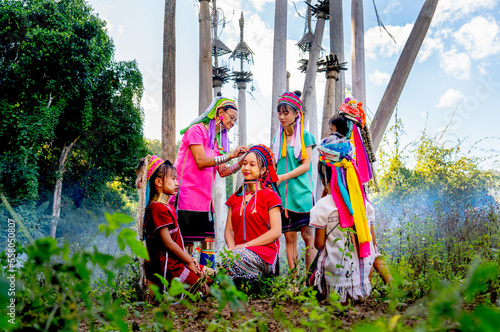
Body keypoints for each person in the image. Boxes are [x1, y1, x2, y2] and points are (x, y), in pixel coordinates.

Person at [174, 97, 248, 268]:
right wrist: (230, 156)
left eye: (235, 120)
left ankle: (206, 283)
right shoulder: (196, 130)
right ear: (220, 113)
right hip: (188, 198)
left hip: (206, 201)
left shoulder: (215, 140)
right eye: (231, 117)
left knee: (208, 243)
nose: (233, 122)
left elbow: (222, 171)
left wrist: (240, 162)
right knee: (188, 244)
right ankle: (187, 285)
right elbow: (201, 161)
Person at [328, 99, 392, 285]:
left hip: (353, 205)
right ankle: (391, 285)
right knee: (371, 247)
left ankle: (366, 287)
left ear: (342, 130)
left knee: (365, 248)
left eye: (332, 130)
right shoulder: (355, 151)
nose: (330, 134)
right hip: (363, 204)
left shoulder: (343, 152)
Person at [309, 136, 376, 304]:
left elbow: (318, 244)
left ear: (324, 176)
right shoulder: (364, 205)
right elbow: (372, 242)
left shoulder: (323, 206)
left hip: (335, 285)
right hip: (363, 283)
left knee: (310, 280)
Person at [135, 155, 213, 300]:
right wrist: (189, 261)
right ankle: (165, 291)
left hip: (179, 262)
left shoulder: (166, 207)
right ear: (158, 182)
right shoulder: (156, 209)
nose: (177, 183)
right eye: (172, 179)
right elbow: (168, 243)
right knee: (204, 289)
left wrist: (189, 258)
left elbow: (176, 241)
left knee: (212, 275)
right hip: (170, 268)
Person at [272, 91, 317, 272]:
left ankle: (310, 281)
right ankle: (293, 283)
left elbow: (306, 166)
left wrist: (283, 177)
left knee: (308, 237)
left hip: (303, 194)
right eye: (279, 113)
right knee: (289, 238)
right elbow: (274, 165)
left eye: (286, 113)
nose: (282, 117)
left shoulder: (306, 136)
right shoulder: (277, 139)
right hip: (283, 197)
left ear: (297, 113)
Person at [224, 145, 282, 280]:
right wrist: (233, 250)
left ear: (263, 170)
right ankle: (251, 282)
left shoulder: (271, 197)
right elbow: (228, 230)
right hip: (239, 255)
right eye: (244, 164)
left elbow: (276, 232)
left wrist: (244, 247)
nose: (246, 168)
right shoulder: (235, 197)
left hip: (265, 254)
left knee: (227, 268)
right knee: (227, 263)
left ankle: (259, 277)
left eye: (252, 164)